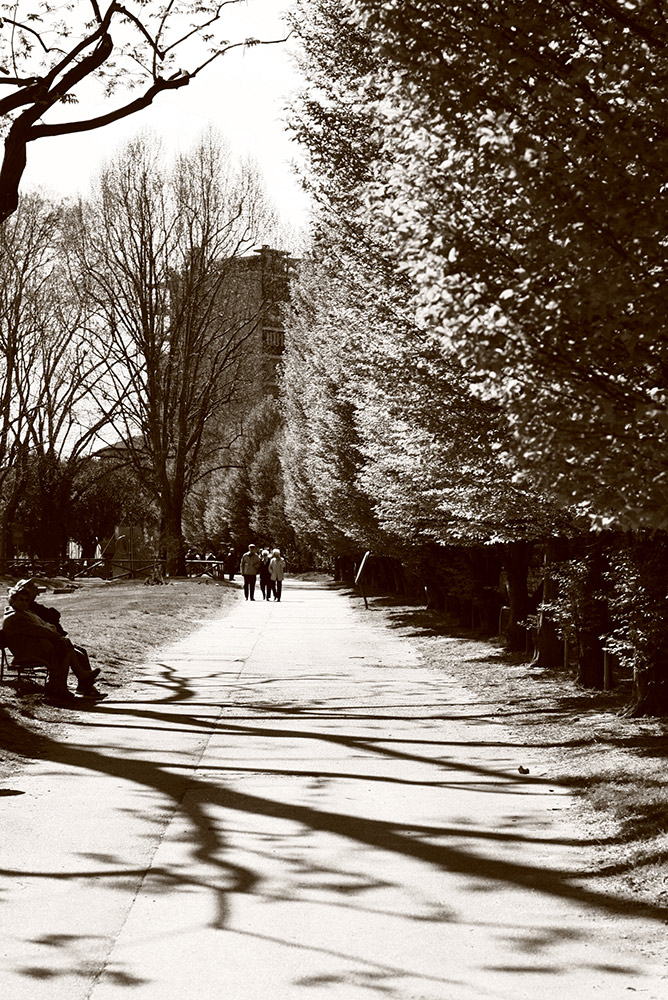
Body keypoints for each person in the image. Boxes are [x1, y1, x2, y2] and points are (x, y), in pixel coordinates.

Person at [2, 579, 105, 703]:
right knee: (65, 647)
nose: (24, 603)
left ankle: (66, 685)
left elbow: (46, 623)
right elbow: (41, 630)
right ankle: (67, 685)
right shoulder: (15, 617)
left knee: (66, 645)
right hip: (27, 652)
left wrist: (50, 629)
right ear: (13, 600)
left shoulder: (25, 612)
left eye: (26, 600)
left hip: (35, 647)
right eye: (21, 600)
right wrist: (52, 630)